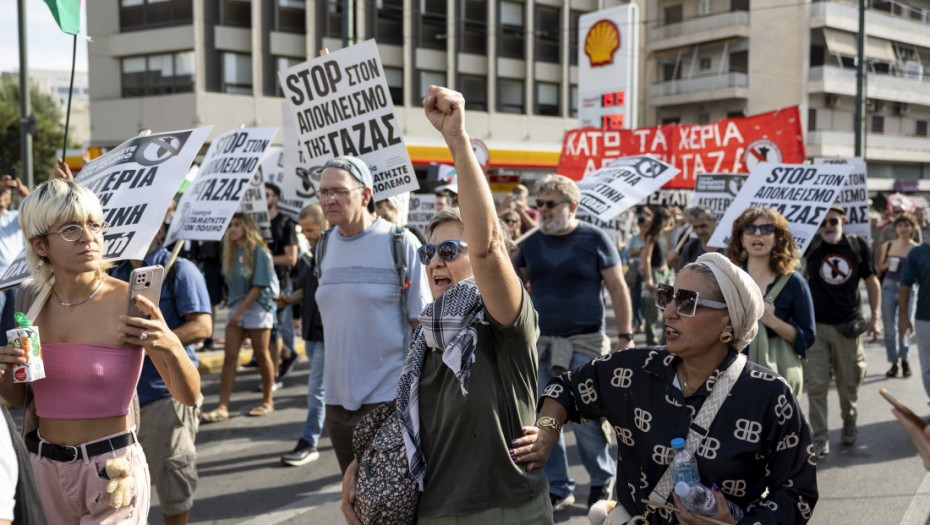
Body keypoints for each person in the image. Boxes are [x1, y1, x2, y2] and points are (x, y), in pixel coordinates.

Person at [342, 84, 552, 524]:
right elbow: (411, 421)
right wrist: (362, 467)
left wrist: (456, 140)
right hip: (432, 511)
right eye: (429, 253)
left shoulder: (506, 323)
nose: (436, 260)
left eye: (451, 251)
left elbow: (489, 247)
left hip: (505, 511)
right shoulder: (428, 334)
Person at [514, 252, 818, 524]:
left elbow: (797, 493)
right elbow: (567, 388)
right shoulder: (633, 369)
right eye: (667, 296)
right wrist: (549, 429)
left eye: (686, 302)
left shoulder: (769, 394)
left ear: (728, 322)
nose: (669, 312)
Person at [0, 179, 200, 523]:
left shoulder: (130, 300)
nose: (88, 236)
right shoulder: (28, 302)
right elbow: (26, 397)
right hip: (43, 470)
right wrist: (3, 375)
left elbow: (188, 394)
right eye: (70, 229)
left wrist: (169, 342)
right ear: (40, 245)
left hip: (113, 473)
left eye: (94, 224)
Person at [515, 173, 632, 511]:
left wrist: (624, 337)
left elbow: (618, 289)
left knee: (586, 417)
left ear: (572, 206)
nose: (543, 210)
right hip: (542, 344)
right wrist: (506, 258)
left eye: (550, 204)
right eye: (540, 204)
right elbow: (513, 285)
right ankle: (560, 485)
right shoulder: (531, 241)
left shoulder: (594, 238)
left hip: (586, 343)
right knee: (543, 418)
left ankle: (600, 479)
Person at [315, 155, 431, 473]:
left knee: (391, 504)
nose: (328, 199)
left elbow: (421, 326)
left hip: (386, 399)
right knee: (355, 500)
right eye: (323, 191)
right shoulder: (323, 245)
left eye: (338, 191)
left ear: (366, 195)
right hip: (336, 401)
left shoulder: (399, 242)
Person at [112, 223, 212, 525]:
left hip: (165, 396)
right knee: (121, 490)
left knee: (172, 484)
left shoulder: (180, 269)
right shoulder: (113, 275)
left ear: (158, 231)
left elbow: (203, 327)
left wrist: (158, 338)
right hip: (123, 402)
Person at [804, 205, 881, 457]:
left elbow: (872, 280)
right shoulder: (811, 246)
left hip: (848, 327)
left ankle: (849, 421)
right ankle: (820, 437)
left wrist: (876, 318)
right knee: (816, 385)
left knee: (848, 383)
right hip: (816, 328)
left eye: (833, 221)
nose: (828, 225)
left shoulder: (857, 245)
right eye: (823, 221)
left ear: (843, 221)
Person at [724, 207, 816, 397]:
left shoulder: (794, 282)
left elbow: (807, 338)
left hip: (777, 379)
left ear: (777, 238)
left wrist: (772, 320)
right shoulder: (727, 281)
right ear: (741, 238)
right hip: (731, 378)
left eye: (766, 229)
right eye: (750, 229)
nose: (758, 234)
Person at [202, 212, 279, 421]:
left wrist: (239, 312)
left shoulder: (259, 251)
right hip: (237, 307)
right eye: (230, 225)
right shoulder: (230, 252)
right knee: (230, 357)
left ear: (247, 227)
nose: (232, 229)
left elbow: (259, 285)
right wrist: (236, 311)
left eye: (237, 225)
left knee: (262, 354)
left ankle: (268, 400)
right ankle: (222, 407)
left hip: (258, 306)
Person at [278, 204, 328, 466]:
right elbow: (307, 291)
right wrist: (289, 299)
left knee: (316, 390)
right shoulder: (312, 254)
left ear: (325, 224)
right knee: (326, 390)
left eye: (311, 229)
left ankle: (310, 441)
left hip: (326, 333)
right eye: (303, 230)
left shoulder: (333, 252)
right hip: (311, 332)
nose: (307, 234)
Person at [264, 182, 299, 384]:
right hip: (260, 284)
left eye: (267, 195)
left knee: (275, 330)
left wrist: (264, 258)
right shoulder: (256, 223)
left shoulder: (286, 222)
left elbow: (291, 258)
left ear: (276, 198)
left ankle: (275, 372)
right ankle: (286, 356)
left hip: (280, 284)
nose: (264, 198)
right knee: (266, 330)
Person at [877, 213, 918, 378]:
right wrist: (887, 264)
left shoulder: (917, 248)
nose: (903, 229)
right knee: (889, 328)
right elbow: (880, 266)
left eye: (906, 225)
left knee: (905, 326)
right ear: (895, 228)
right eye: (900, 225)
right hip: (888, 287)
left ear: (912, 228)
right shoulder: (888, 245)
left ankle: (905, 359)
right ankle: (893, 362)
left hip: (908, 289)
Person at [898, 227, 930, 408]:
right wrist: (903, 317)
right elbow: (905, 287)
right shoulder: (917, 253)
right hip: (925, 318)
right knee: (928, 367)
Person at [0, 173, 29, 345]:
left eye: (5, 194)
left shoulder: (15, 217)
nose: (2, 195)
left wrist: (22, 190)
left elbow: (36, 207)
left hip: (15, 282)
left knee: (13, 329)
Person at [640, 207, 674, 346]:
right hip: (655, 274)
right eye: (666, 219)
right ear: (661, 220)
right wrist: (649, 278)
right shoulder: (652, 235)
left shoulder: (665, 232)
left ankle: (664, 342)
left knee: (667, 309)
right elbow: (647, 258)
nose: (669, 222)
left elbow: (673, 223)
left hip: (665, 273)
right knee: (652, 312)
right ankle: (652, 343)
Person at [676, 205, 720, 271]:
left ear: (714, 221)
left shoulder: (729, 248)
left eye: (703, 226)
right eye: (695, 227)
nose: (699, 231)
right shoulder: (690, 249)